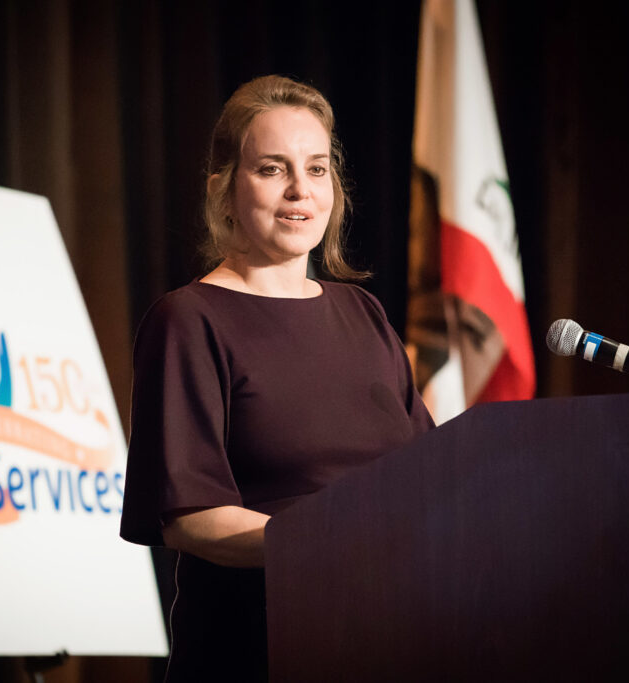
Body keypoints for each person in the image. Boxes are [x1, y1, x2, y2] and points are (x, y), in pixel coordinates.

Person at [120, 75, 434, 682]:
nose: (300, 190)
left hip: (391, 637)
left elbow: (430, 474)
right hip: (259, 648)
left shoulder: (362, 313)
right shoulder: (189, 319)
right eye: (271, 168)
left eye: (317, 169)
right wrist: (338, 542)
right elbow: (192, 516)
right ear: (224, 189)